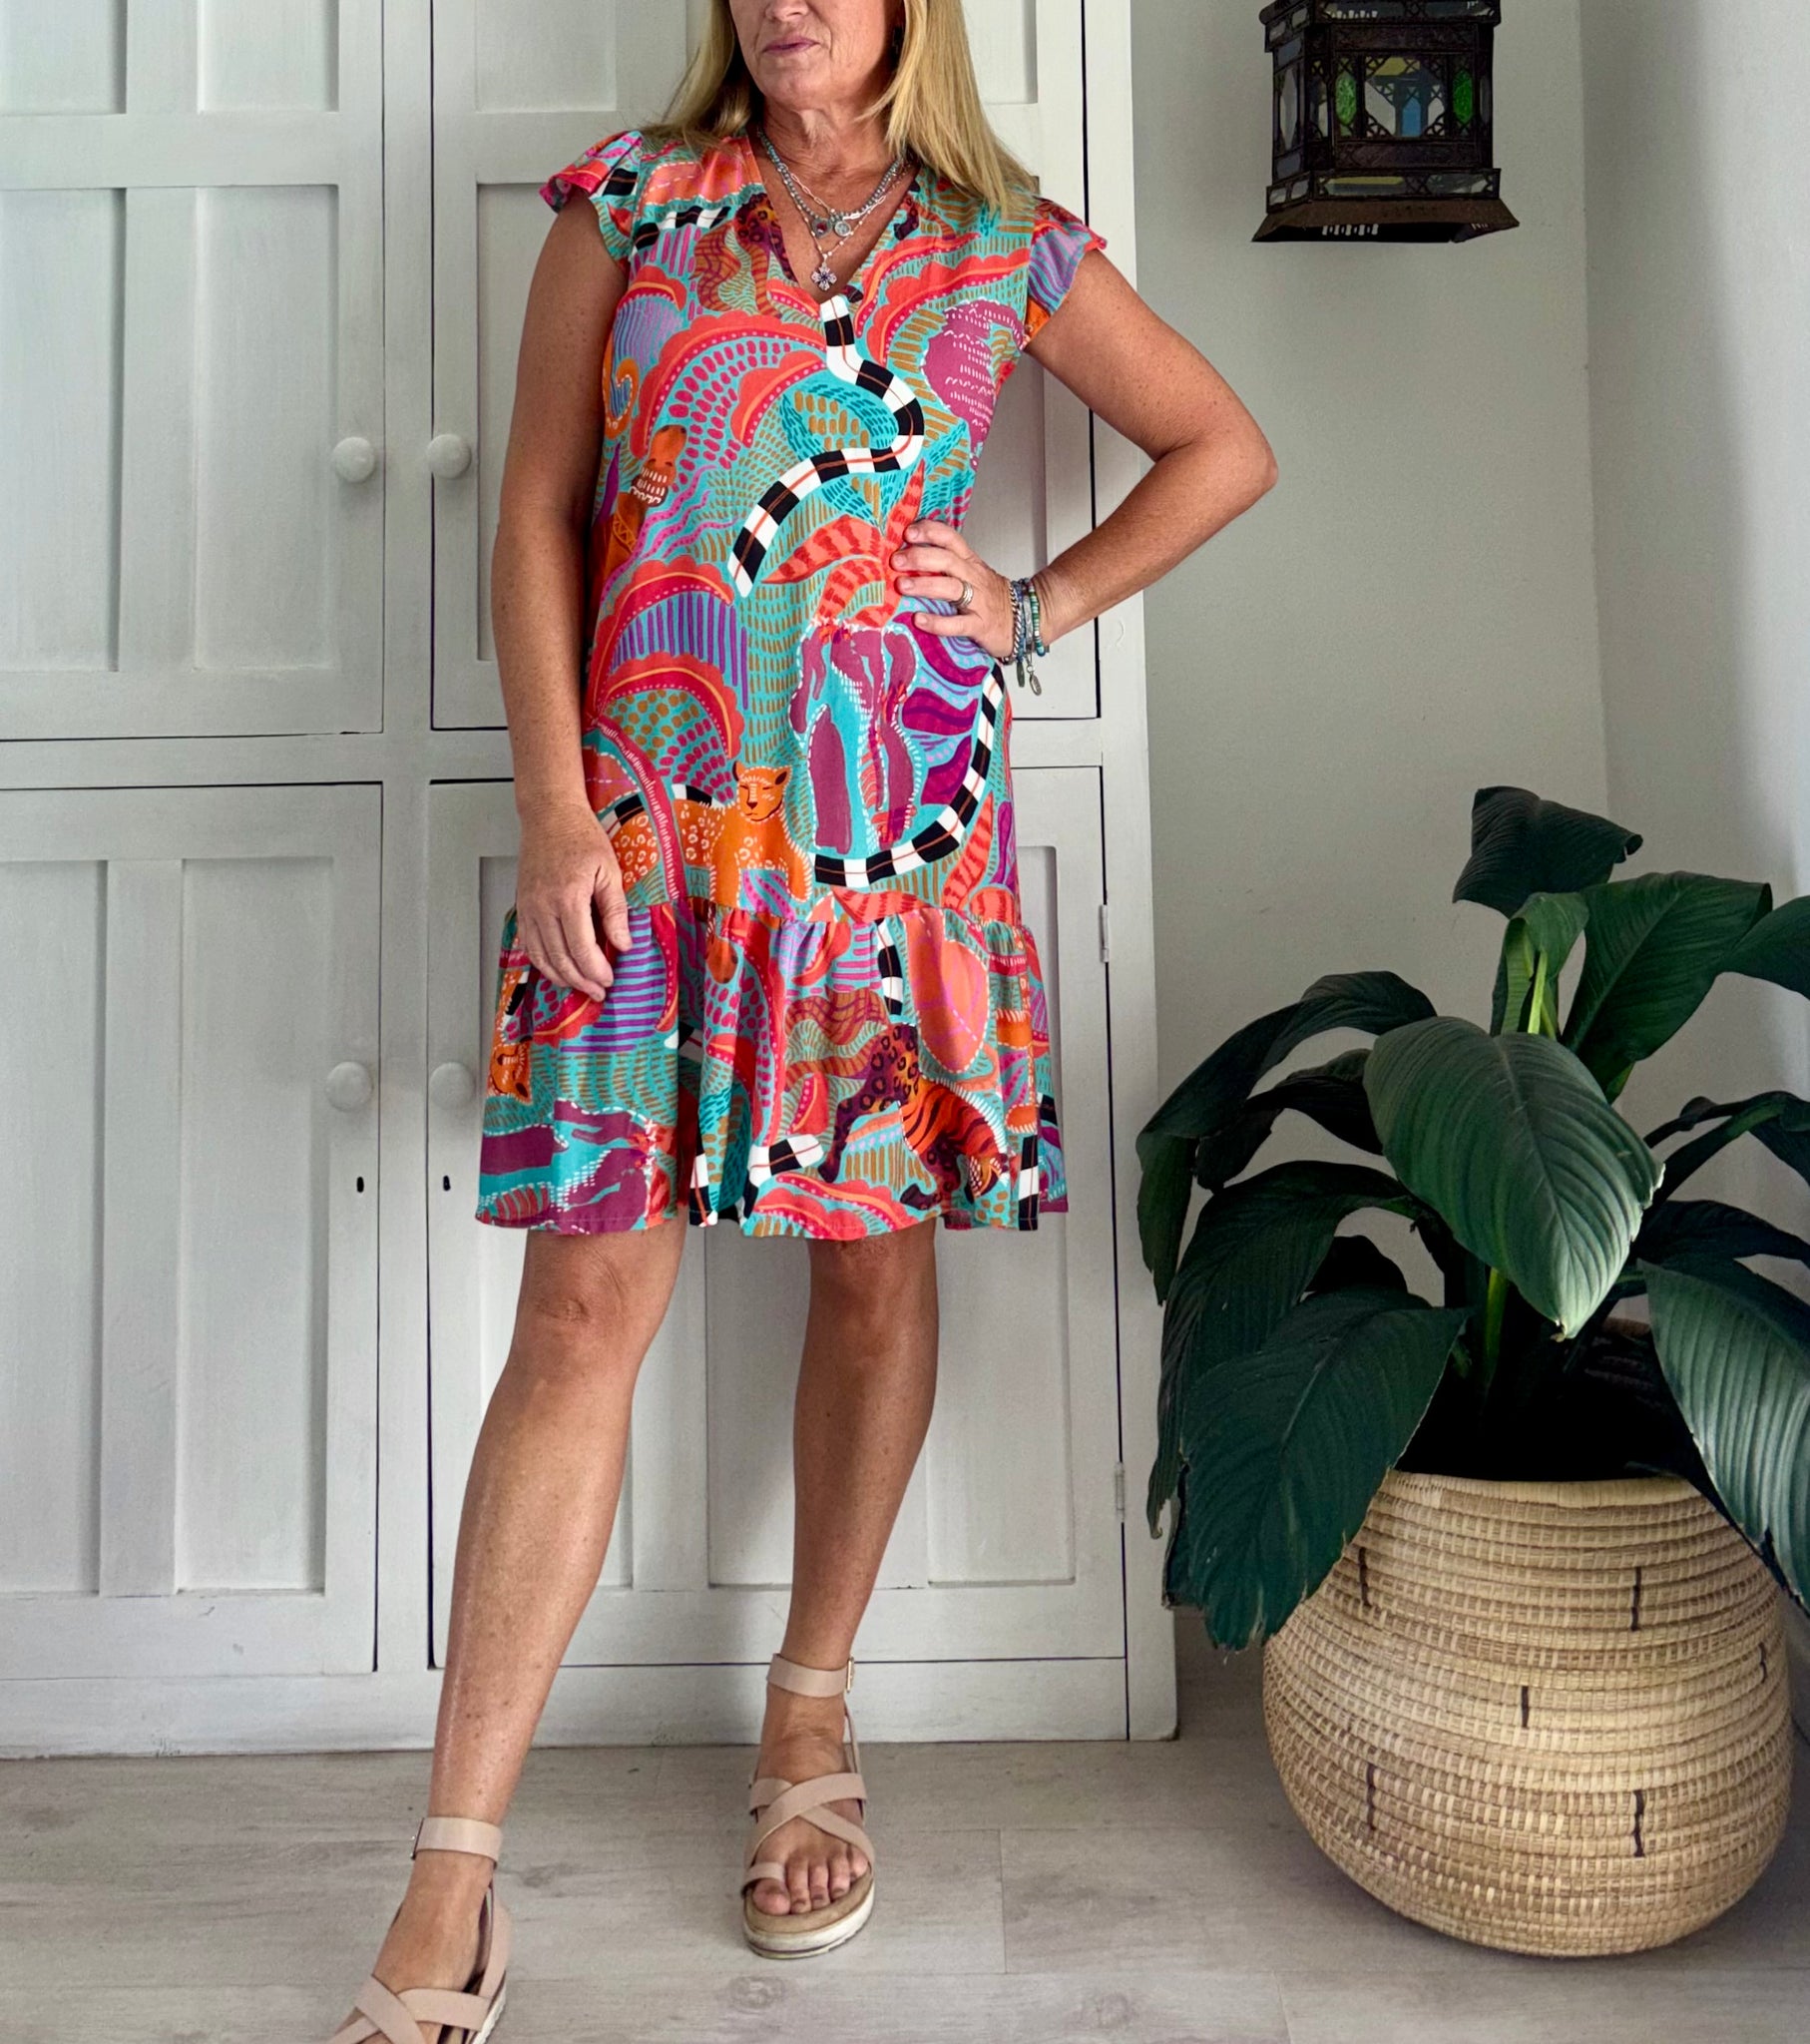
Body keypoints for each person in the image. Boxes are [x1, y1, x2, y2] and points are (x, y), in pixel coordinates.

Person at [328, 1, 1274, 2035]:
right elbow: (536, 509)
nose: (786, 4)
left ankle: (809, 1714)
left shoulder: (1001, 243)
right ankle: (454, 1872)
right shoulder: (630, 203)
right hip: (644, 838)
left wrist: (1029, 604)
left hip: (889, 848)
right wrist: (555, 804)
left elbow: (1223, 447)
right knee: (581, 1309)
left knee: (870, 1270)